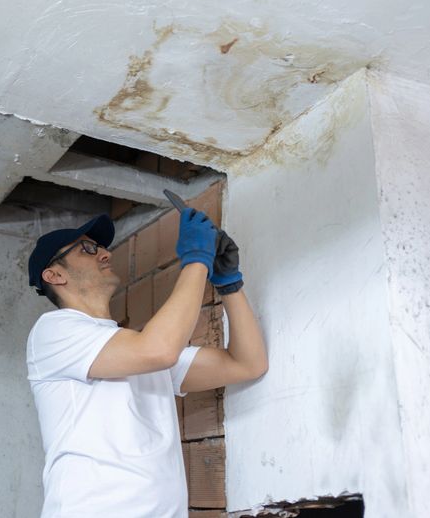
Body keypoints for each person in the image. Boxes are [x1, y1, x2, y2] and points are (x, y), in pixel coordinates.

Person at [26, 208, 267, 518]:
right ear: (55, 275)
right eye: (87, 248)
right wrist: (197, 260)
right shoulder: (52, 332)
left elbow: (247, 364)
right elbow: (159, 350)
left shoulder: (134, 351)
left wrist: (229, 284)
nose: (104, 254)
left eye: (101, 247)